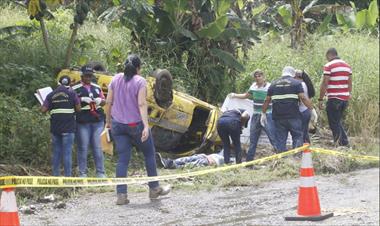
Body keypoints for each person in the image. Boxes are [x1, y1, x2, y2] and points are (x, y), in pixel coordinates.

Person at [105, 54, 170, 205]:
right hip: (135, 125)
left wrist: (108, 122)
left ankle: (121, 196)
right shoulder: (140, 81)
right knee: (149, 154)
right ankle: (154, 189)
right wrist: (146, 126)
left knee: (122, 160)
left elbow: (108, 102)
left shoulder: (115, 79)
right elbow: (141, 104)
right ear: (138, 68)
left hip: (117, 125)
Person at [229, 69, 278, 161]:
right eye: (256, 76)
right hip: (256, 115)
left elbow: (275, 99)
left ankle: (281, 159)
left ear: (264, 77)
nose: (257, 78)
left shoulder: (270, 86)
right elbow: (245, 96)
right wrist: (234, 95)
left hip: (267, 115)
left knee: (273, 137)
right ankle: (249, 162)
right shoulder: (253, 86)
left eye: (259, 76)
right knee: (253, 139)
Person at [262, 66, 313, 152]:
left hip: (278, 118)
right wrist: (311, 109)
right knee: (297, 136)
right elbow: (303, 98)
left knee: (281, 139)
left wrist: (263, 113)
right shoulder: (296, 83)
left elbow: (267, 100)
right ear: (293, 74)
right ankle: (296, 159)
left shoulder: (273, 84)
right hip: (293, 116)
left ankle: (282, 160)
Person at [41, 76, 81, 176]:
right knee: (67, 153)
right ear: (69, 84)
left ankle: (56, 177)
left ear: (59, 83)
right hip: (68, 128)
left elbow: (43, 110)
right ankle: (68, 178)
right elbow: (79, 109)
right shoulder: (72, 93)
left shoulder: (51, 94)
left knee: (57, 153)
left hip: (55, 128)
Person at [72, 65, 106, 178]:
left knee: (97, 146)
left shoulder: (96, 87)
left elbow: (104, 101)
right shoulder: (75, 88)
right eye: (86, 76)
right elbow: (70, 101)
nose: (88, 78)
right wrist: (80, 99)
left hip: (97, 120)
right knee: (83, 146)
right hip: (83, 121)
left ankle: (100, 172)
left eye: (90, 76)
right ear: (82, 75)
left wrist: (100, 100)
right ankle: (83, 173)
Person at [319, 48, 351, 147]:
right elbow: (350, 83)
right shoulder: (347, 66)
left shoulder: (329, 66)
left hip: (334, 98)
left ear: (329, 55)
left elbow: (325, 83)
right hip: (344, 98)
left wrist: (320, 99)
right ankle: (344, 142)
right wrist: (347, 95)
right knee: (337, 121)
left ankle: (341, 144)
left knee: (333, 122)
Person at [295, 70, 317, 143]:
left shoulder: (300, 84)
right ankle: (307, 148)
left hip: (302, 110)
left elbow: (303, 98)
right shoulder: (305, 84)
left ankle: (304, 149)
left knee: (302, 133)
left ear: (297, 76)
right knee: (304, 132)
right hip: (306, 110)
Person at [155, 151, 224, 169]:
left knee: (195, 163)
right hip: (208, 157)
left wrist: (213, 161)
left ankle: (174, 166)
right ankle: (168, 162)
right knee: (189, 158)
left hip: (212, 161)